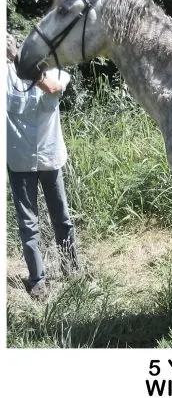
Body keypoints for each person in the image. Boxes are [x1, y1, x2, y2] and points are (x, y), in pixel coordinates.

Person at [6, 32, 81, 299]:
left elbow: (51, 88)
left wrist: (20, 61)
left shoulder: (54, 70)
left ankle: (72, 269)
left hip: (50, 159)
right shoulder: (5, 76)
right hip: (19, 161)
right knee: (28, 224)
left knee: (62, 219)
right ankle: (37, 280)